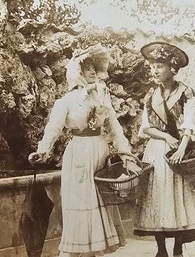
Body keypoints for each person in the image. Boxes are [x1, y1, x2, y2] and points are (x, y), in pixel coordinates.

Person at [28, 43, 142, 257]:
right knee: (80, 204)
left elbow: (114, 127)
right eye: (86, 67)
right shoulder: (67, 101)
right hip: (78, 156)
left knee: (99, 205)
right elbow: (53, 129)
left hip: (100, 154)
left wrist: (125, 153)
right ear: (77, 72)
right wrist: (42, 151)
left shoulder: (102, 96)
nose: (92, 71)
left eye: (93, 67)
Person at [133, 41, 195, 257]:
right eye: (152, 66)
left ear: (173, 68)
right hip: (157, 151)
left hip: (181, 148)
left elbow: (189, 124)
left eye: (159, 66)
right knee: (158, 196)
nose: (155, 70)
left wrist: (181, 148)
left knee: (181, 197)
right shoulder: (151, 95)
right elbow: (145, 128)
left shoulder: (186, 93)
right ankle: (161, 249)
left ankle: (178, 246)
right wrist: (165, 136)